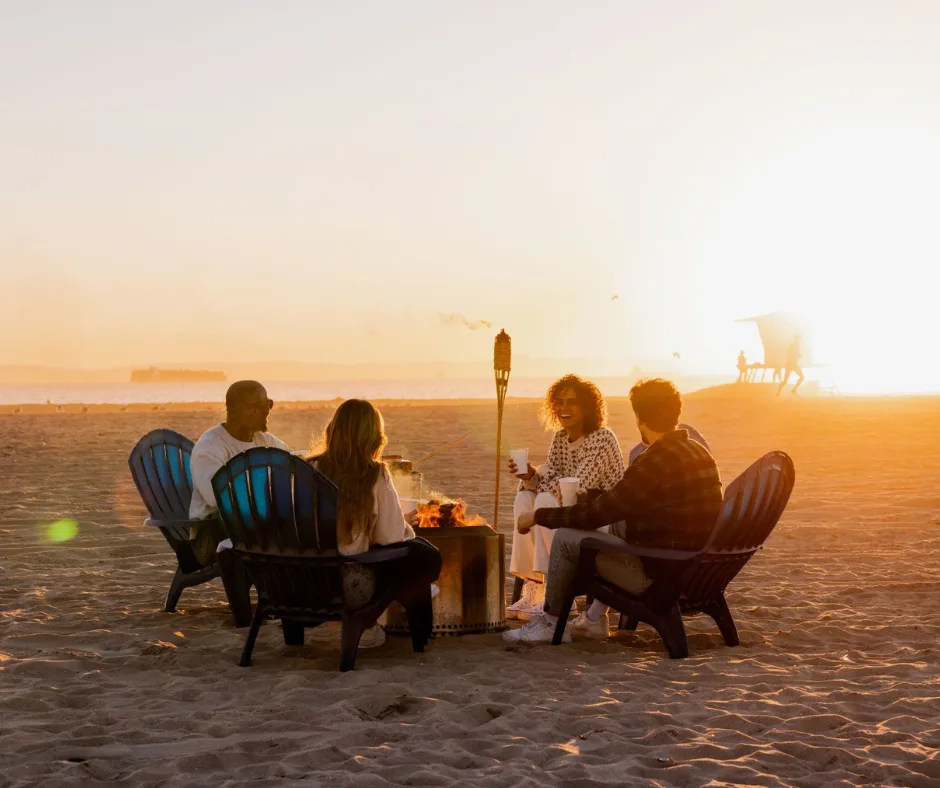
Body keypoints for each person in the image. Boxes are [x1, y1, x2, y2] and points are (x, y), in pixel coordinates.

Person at [504, 378, 722, 644]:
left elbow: (598, 514)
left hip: (659, 579)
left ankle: (550, 621)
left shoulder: (654, 461)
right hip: (695, 571)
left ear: (639, 416)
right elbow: (616, 506)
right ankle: (594, 618)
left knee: (567, 537)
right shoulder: (699, 452)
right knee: (605, 524)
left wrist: (538, 517)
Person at [308, 399, 442, 649]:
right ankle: (414, 638)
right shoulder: (374, 474)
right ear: (373, 438)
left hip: (302, 579)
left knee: (421, 549)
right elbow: (390, 537)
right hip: (347, 583)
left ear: (333, 431)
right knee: (423, 557)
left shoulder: (308, 469)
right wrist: (403, 523)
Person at [506, 375, 624, 622]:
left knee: (544, 501)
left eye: (572, 402)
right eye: (559, 402)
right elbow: (553, 480)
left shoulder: (602, 438)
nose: (564, 409)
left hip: (601, 519)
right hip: (571, 514)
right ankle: (534, 588)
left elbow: (575, 488)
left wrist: (542, 474)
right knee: (525, 500)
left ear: (587, 406)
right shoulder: (560, 439)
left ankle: (557, 595)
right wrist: (531, 475)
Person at [189, 380, 290, 567]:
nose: (265, 411)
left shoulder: (265, 441)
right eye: (257, 407)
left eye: (268, 404)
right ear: (232, 410)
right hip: (212, 538)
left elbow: (294, 466)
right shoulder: (210, 447)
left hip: (255, 529)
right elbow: (217, 498)